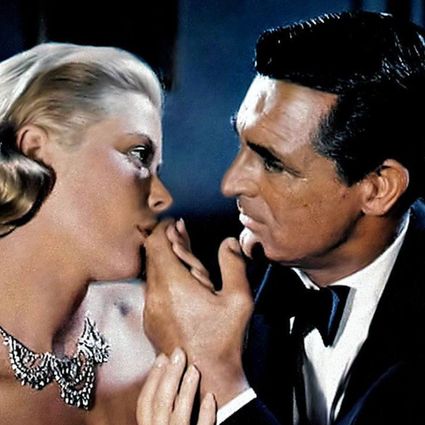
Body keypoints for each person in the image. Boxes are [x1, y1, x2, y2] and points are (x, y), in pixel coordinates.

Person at [143, 10, 425, 425]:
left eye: (273, 163)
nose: (231, 183)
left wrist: (222, 383)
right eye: (242, 144)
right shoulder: (205, 290)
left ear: (379, 188)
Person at [0, 42, 215, 425]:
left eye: (158, 169)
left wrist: (205, 353)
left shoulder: (162, 327)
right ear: (35, 150)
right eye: (138, 154)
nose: (162, 197)